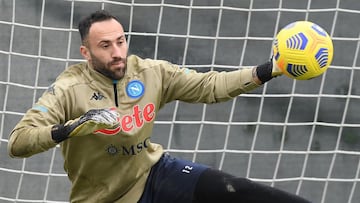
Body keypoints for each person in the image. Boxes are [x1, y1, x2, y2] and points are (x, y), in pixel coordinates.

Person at [7, 10, 311, 203]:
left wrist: (268, 70)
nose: (117, 52)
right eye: (105, 45)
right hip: (106, 197)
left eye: (121, 41)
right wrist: (71, 127)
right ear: (85, 52)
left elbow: (211, 86)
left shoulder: (151, 72)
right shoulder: (68, 88)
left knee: (239, 192)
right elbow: (18, 142)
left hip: (155, 172)